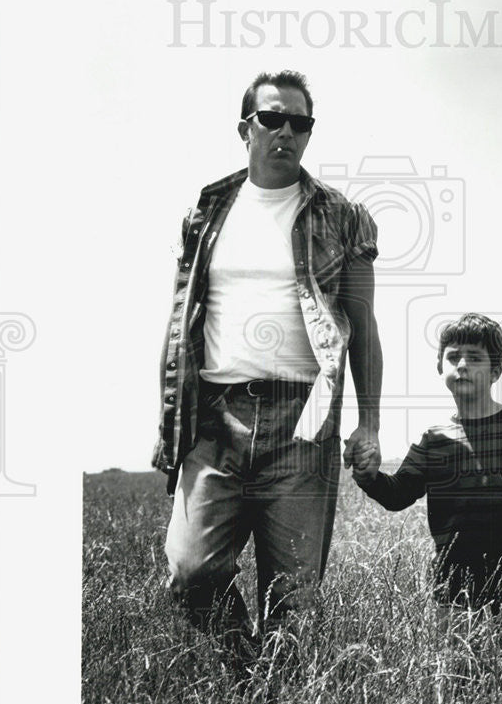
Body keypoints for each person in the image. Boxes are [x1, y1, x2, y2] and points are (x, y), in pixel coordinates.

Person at [152, 70, 382, 651]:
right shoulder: (206, 212)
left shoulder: (342, 216)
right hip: (214, 416)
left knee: (295, 601)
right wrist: (170, 414)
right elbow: (183, 317)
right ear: (245, 128)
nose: (286, 131)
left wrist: (371, 422)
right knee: (191, 571)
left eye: (300, 122)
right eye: (272, 119)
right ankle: (247, 672)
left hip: (303, 422)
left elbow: (363, 326)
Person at [351, 313, 502, 614]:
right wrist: (369, 477)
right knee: (457, 661)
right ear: (440, 368)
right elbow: (398, 494)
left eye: (475, 358)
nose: (463, 365)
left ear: (496, 371)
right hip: (452, 588)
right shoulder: (433, 437)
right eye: (453, 357)